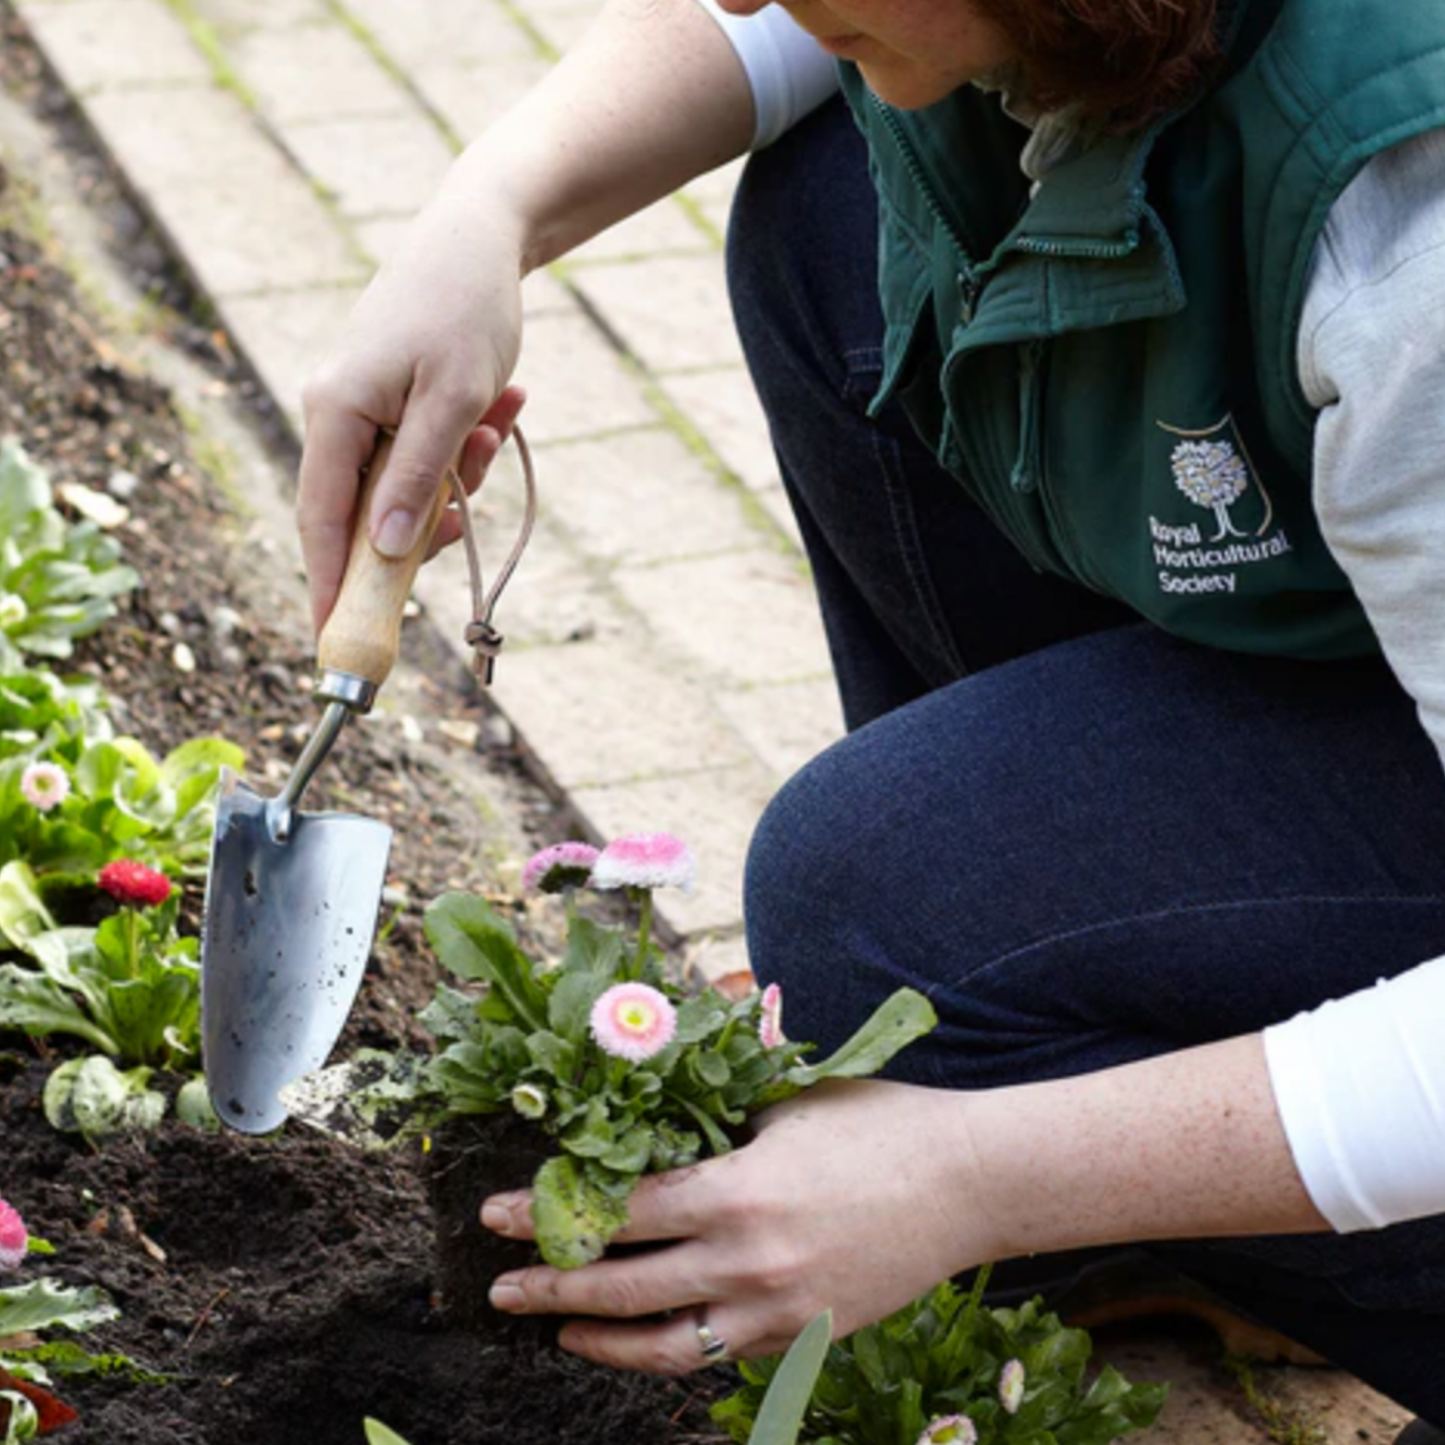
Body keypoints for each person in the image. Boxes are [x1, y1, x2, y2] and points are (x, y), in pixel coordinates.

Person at [296, 0, 1445, 1430]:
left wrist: (970, 1173)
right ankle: (1102, 1131)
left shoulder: (1413, 230)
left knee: (873, 914)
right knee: (839, 207)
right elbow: (778, 40)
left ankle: (1216, 1193)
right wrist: (488, 214)